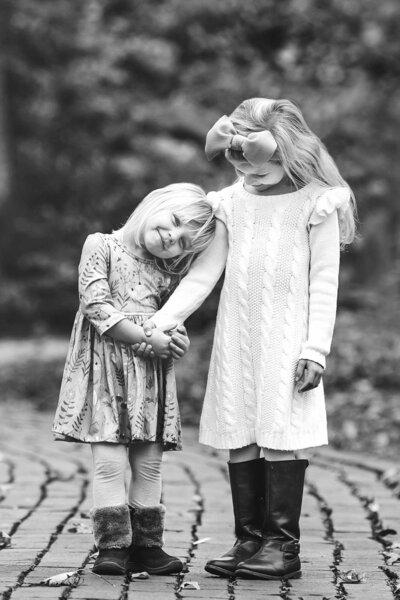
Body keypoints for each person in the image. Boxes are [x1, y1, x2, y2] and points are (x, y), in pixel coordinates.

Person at [145, 98, 357, 580]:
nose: (248, 171)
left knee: (280, 437)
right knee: (240, 435)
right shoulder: (229, 205)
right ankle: (250, 540)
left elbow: (324, 282)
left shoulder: (317, 202)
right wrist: (157, 323)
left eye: (262, 162)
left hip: (288, 344)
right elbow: (203, 277)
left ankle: (283, 549)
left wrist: (315, 349)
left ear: (293, 154)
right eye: (237, 160)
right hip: (237, 341)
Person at [52, 183, 217, 576]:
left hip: (149, 376)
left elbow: (173, 316)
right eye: (174, 222)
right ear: (156, 203)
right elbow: (96, 305)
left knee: (150, 463)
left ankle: (148, 547)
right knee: (109, 463)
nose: (170, 237)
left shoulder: (164, 270)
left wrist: (176, 340)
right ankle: (113, 546)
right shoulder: (101, 245)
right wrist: (146, 336)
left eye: (181, 242)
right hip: (105, 370)